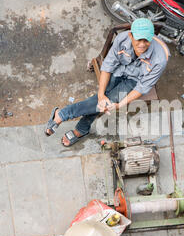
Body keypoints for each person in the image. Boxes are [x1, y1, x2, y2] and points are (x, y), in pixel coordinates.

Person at [45, 18, 170, 146]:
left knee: (107, 101)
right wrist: (100, 95)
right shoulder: (122, 39)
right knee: (102, 100)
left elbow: (142, 87)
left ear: (152, 37)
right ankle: (77, 125)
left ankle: (64, 115)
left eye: (146, 40)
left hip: (134, 81)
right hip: (118, 70)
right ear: (131, 36)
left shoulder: (161, 58)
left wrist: (119, 105)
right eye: (139, 39)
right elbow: (108, 66)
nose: (142, 45)